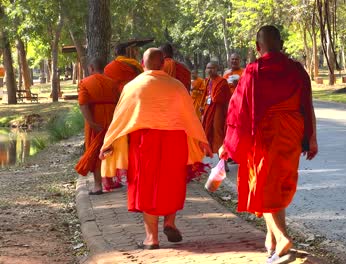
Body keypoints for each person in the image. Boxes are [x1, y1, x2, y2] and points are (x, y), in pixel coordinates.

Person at [219, 25, 318, 263]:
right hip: (292, 132)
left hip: (264, 135)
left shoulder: (254, 70)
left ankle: (282, 238)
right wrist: (312, 138)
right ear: (281, 44)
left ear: (257, 47)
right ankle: (271, 239)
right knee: (277, 184)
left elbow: (237, 111)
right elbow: (307, 104)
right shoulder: (296, 69)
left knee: (264, 185)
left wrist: (228, 143)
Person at [99, 48, 212, 249]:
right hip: (175, 140)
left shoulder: (133, 87)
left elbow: (120, 118)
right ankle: (169, 222)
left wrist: (107, 142)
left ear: (142, 64)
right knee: (172, 181)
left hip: (144, 141)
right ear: (163, 64)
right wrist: (203, 141)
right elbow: (190, 117)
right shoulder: (176, 86)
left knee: (146, 185)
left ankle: (152, 238)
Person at [75, 57, 121, 195]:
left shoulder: (85, 82)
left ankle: (97, 185)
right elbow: (119, 102)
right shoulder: (113, 83)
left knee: (95, 151)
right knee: (110, 149)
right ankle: (110, 180)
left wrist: (92, 123)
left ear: (91, 68)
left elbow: (83, 104)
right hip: (112, 118)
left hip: (96, 118)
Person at [201, 61, 231, 168]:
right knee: (210, 134)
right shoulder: (208, 80)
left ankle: (224, 162)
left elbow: (217, 98)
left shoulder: (222, 81)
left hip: (219, 111)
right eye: (208, 68)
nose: (210, 70)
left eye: (212, 68)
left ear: (217, 69)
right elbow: (206, 95)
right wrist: (202, 106)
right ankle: (220, 161)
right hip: (209, 110)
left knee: (219, 135)